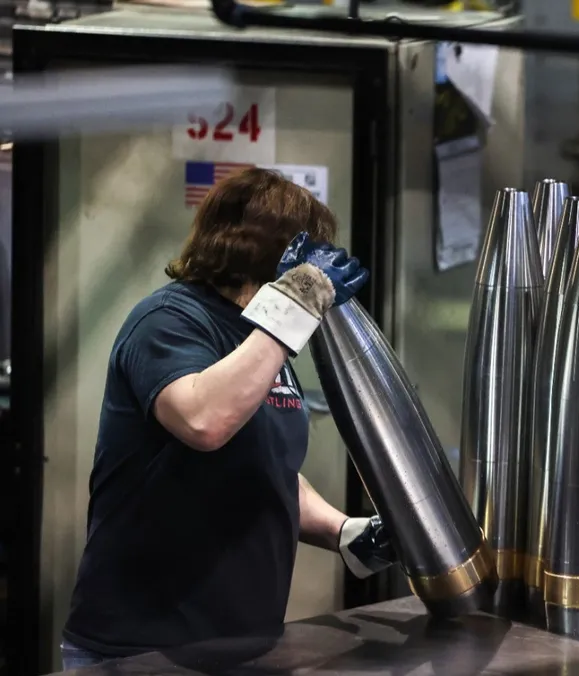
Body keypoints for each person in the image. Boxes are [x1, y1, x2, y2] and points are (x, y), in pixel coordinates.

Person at [60, 168, 398, 670]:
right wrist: (298, 301)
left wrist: (343, 531)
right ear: (269, 250)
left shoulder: (256, 336)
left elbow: (265, 463)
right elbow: (204, 421)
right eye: (306, 250)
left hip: (243, 645)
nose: (315, 265)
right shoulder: (167, 321)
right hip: (145, 649)